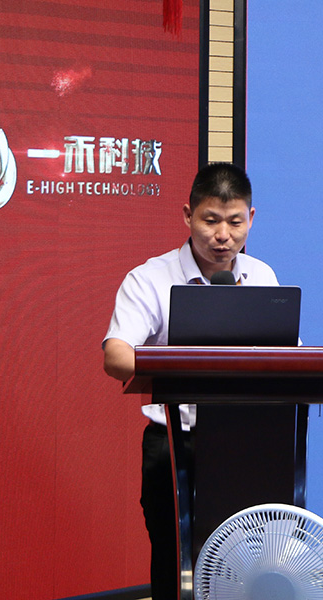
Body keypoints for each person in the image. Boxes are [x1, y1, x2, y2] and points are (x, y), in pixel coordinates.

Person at [103, 162, 278, 600]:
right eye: (211, 220)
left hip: (245, 444)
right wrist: (186, 366)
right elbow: (116, 355)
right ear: (187, 215)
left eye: (235, 222)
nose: (223, 236)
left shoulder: (261, 277)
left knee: (245, 568)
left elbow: (288, 353)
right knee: (175, 564)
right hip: (173, 444)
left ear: (251, 218)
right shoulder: (150, 278)